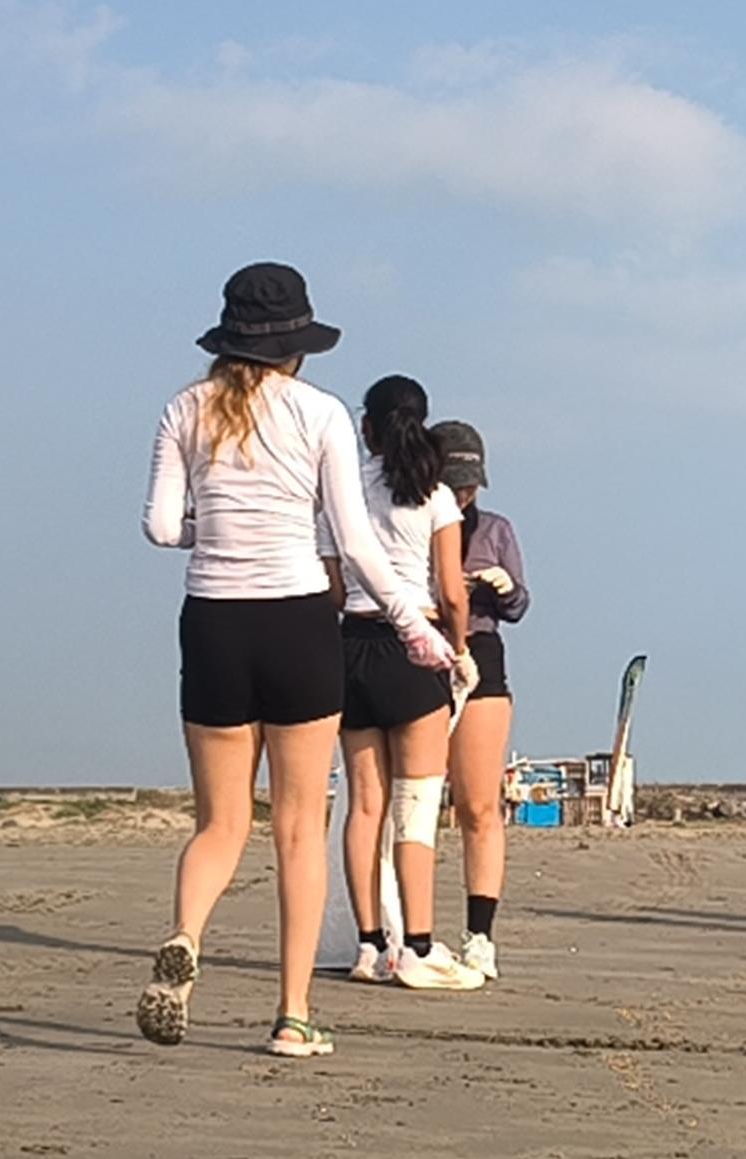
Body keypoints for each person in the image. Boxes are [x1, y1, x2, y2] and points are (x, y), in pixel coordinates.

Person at [140, 263, 455, 1058]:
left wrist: (207, 526)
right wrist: (415, 627)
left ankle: (185, 936)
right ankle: (292, 1014)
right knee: (295, 828)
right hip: (298, 623)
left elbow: (157, 528)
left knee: (217, 823)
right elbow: (352, 542)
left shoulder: (184, 407)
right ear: (298, 346)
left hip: (211, 620)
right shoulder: (319, 414)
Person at [320, 375, 483, 991]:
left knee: (364, 806)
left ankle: (368, 945)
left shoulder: (340, 491)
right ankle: (416, 943)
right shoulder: (434, 494)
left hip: (354, 644)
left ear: (368, 427)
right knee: (416, 808)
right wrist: (459, 651)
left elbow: (334, 587)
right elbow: (450, 591)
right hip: (418, 644)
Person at [430, 420, 528, 982]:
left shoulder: (495, 529)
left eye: (470, 485)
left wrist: (501, 588)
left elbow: (519, 604)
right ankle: (400, 929)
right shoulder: (410, 521)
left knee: (478, 803)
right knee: (413, 801)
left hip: (483, 652)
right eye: (454, 482)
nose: (463, 494)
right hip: (422, 645)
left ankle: (480, 935)